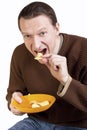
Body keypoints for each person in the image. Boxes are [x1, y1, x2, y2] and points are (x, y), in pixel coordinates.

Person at [6, 1, 87, 130]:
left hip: (77, 125)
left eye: (42, 33)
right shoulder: (20, 53)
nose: (36, 45)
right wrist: (15, 102)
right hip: (36, 121)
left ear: (56, 28)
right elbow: (14, 92)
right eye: (27, 36)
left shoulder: (83, 49)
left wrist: (66, 80)